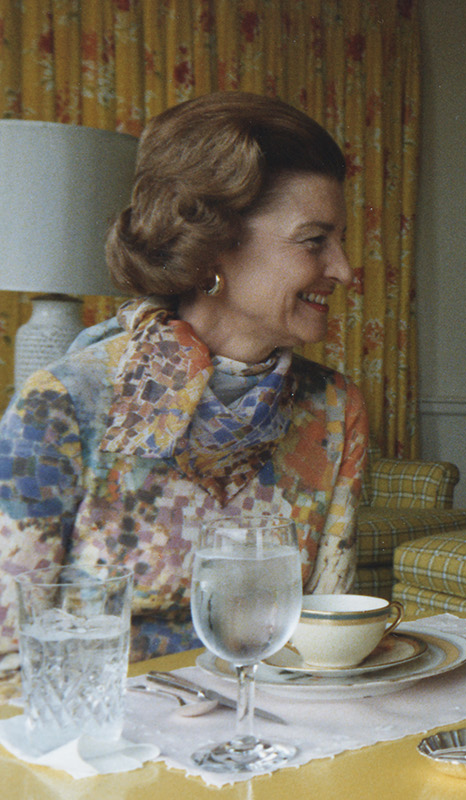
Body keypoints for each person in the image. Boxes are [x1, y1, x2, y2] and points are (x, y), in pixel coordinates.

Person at [0, 92, 368, 691]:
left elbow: (324, 644)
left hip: (268, 736)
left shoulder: (333, 410)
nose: (346, 269)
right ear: (212, 244)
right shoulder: (62, 406)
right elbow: (9, 665)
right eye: (314, 240)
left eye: (341, 240)